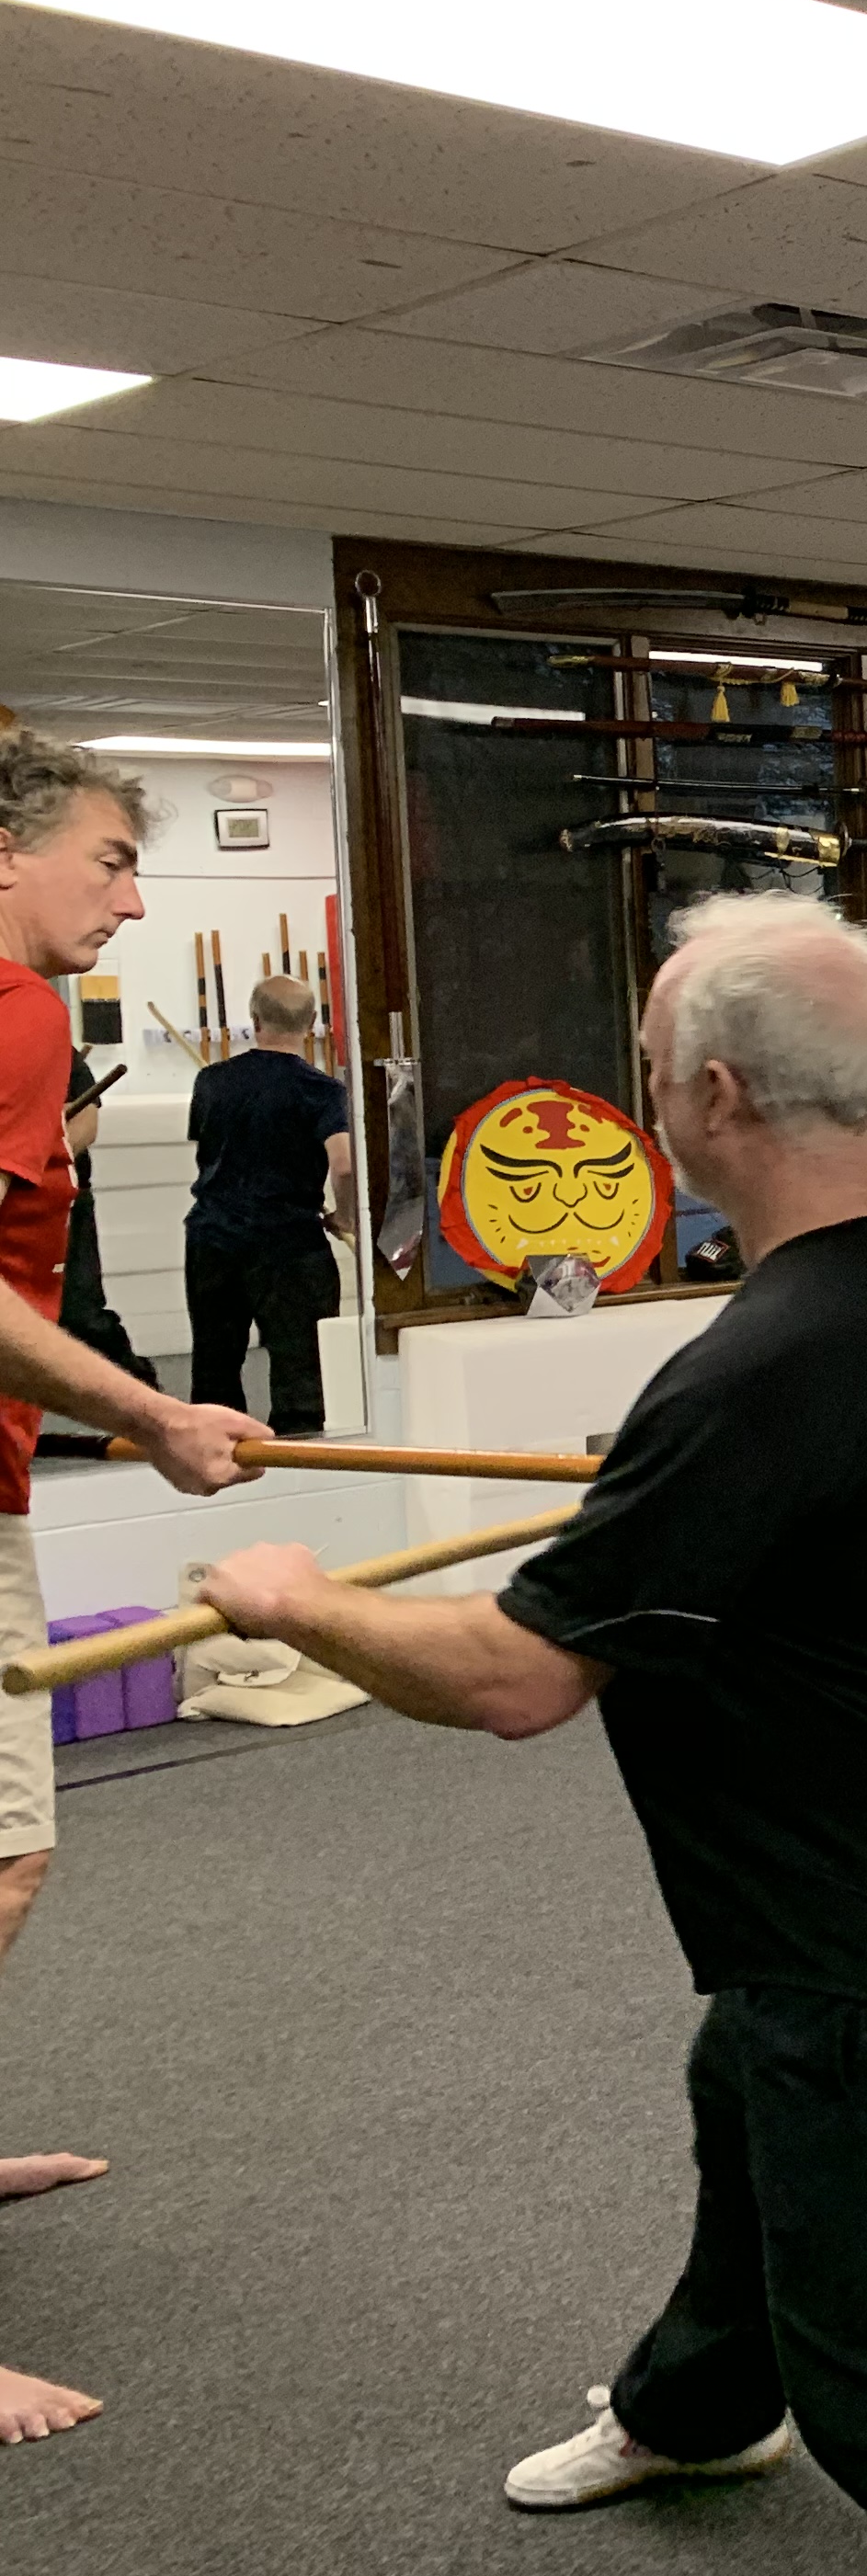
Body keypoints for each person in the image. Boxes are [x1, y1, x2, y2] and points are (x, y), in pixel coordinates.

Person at [191, 895, 867, 2576]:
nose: (645, 1099)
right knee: (753, 2098)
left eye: (647, 1070)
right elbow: (834, 1526)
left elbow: (515, 1677)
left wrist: (299, 1600)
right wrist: (671, 1492)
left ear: (716, 1094)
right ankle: (700, 2402)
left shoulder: (768, 1362)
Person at [0, 732, 273, 2451]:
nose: (132, 897)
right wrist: (158, 1413)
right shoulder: (13, 1011)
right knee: (2, 1858)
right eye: (109, 859)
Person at [182, 975, 353, 1436]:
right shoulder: (323, 1090)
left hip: (213, 1238)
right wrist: (344, 1216)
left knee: (215, 1362)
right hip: (289, 1241)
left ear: (254, 1020)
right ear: (312, 1024)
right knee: (301, 1369)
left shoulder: (211, 1081)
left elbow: (209, 1148)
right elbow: (343, 1165)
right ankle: (299, 1457)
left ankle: (216, 1451)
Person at [56, 1049, 154, 1386]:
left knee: (80, 1315)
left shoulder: (58, 1053)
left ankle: (141, 1395)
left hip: (62, 1202)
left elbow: (86, 1125)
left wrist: (38, 1159)